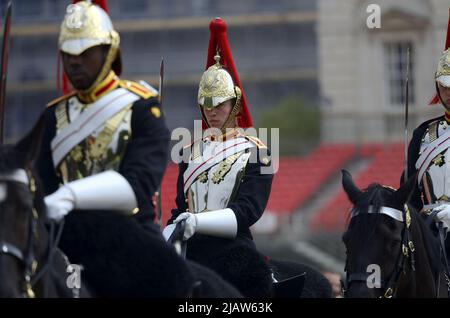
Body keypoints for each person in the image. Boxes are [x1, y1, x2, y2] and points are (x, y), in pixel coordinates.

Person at [35, 0, 194, 297]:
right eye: (68, 53)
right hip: (64, 237)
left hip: (127, 234)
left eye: (85, 52)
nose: (74, 62)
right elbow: (41, 184)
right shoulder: (52, 117)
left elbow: (138, 187)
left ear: (109, 51)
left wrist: (68, 195)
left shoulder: (142, 107)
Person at [163, 17, 274, 297]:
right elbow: (180, 208)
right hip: (191, 244)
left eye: (218, 104)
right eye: (206, 104)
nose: (211, 111)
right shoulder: (189, 152)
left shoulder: (258, 151)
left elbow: (247, 212)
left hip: (233, 246)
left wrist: (198, 222)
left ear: (233, 103)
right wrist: (167, 232)